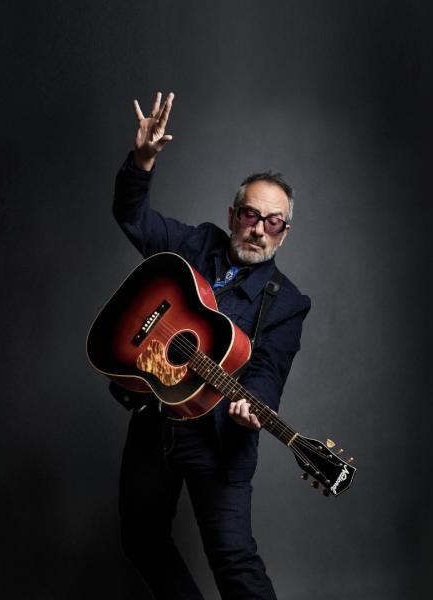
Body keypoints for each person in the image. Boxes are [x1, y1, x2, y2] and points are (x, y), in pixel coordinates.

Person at [111, 91, 311, 600]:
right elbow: (134, 219)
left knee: (234, 562)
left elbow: (267, 369)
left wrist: (253, 409)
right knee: (141, 540)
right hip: (154, 424)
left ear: (284, 235)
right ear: (232, 214)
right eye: (250, 214)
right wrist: (143, 161)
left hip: (218, 442)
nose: (259, 230)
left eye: (274, 223)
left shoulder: (286, 302)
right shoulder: (195, 245)